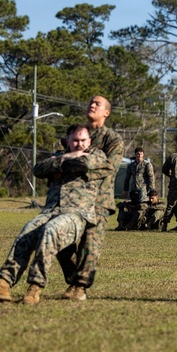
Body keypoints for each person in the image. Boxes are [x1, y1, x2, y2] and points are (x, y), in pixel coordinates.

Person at [0, 123, 107, 305]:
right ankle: (3, 284)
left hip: (76, 214)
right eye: (75, 140)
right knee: (26, 233)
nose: (79, 144)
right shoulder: (61, 155)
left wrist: (60, 164)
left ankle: (34, 287)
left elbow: (87, 163)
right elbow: (38, 169)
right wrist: (66, 158)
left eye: (83, 140)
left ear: (89, 140)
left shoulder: (97, 155)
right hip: (50, 211)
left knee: (50, 231)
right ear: (68, 141)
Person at [58, 95, 125, 302]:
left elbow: (109, 167)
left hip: (98, 200)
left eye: (98, 104)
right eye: (90, 102)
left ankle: (80, 286)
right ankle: (74, 277)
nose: (92, 105)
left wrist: (78, 164)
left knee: (90, 244)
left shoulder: (112, 139)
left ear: (106, 113)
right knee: (60, 239)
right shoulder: (77, 135)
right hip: (72, 198)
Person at [117, 147, 155, 231]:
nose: (139, 155)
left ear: (143, 154)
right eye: (138, 154)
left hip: (144, 190)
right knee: (132, 206)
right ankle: (126, 223)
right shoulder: (131, 166)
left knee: (142, 207)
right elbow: (127, 178)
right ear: (135, 155)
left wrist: (152, 191)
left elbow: (151, 178)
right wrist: (125, 189)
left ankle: (140, 223)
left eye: (141, 154)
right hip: (134, 190)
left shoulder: (147, 164)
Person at [160, 138, 177, 232]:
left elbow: (164, 169)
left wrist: (171, 175)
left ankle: (165, 225)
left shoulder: (173, 156)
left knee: (171, 205)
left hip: (174, 185)